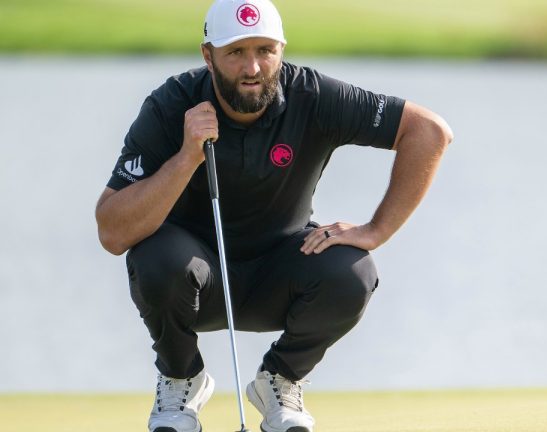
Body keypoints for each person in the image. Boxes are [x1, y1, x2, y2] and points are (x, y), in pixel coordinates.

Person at [95, 0, 452, 431]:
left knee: (353, 270)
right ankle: (180, 378)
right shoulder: (172, 105)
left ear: (282, 49)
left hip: (280, 276)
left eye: (265, 50)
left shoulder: (314, 96)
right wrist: (186, 157)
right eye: (236, 53)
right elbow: (112, 231)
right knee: (153, 255)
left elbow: (429, 131)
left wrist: (375, 231)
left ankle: (279, 381)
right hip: (194, 281)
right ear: (208, 56)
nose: (253, 67)